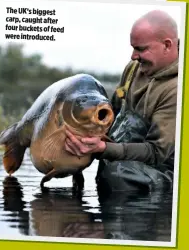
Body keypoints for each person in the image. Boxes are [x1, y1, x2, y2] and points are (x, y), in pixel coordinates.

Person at [65, 10, 179, 192]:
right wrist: (83, 139)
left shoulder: (176, 90)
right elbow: (109, 114)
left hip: (163, 170)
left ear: (167, 45)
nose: (133, 56)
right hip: (123, 159)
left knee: (116, 176)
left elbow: (156, 152)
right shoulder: (134, 68)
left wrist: (103, 149)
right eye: (133, 48)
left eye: (141, 49)